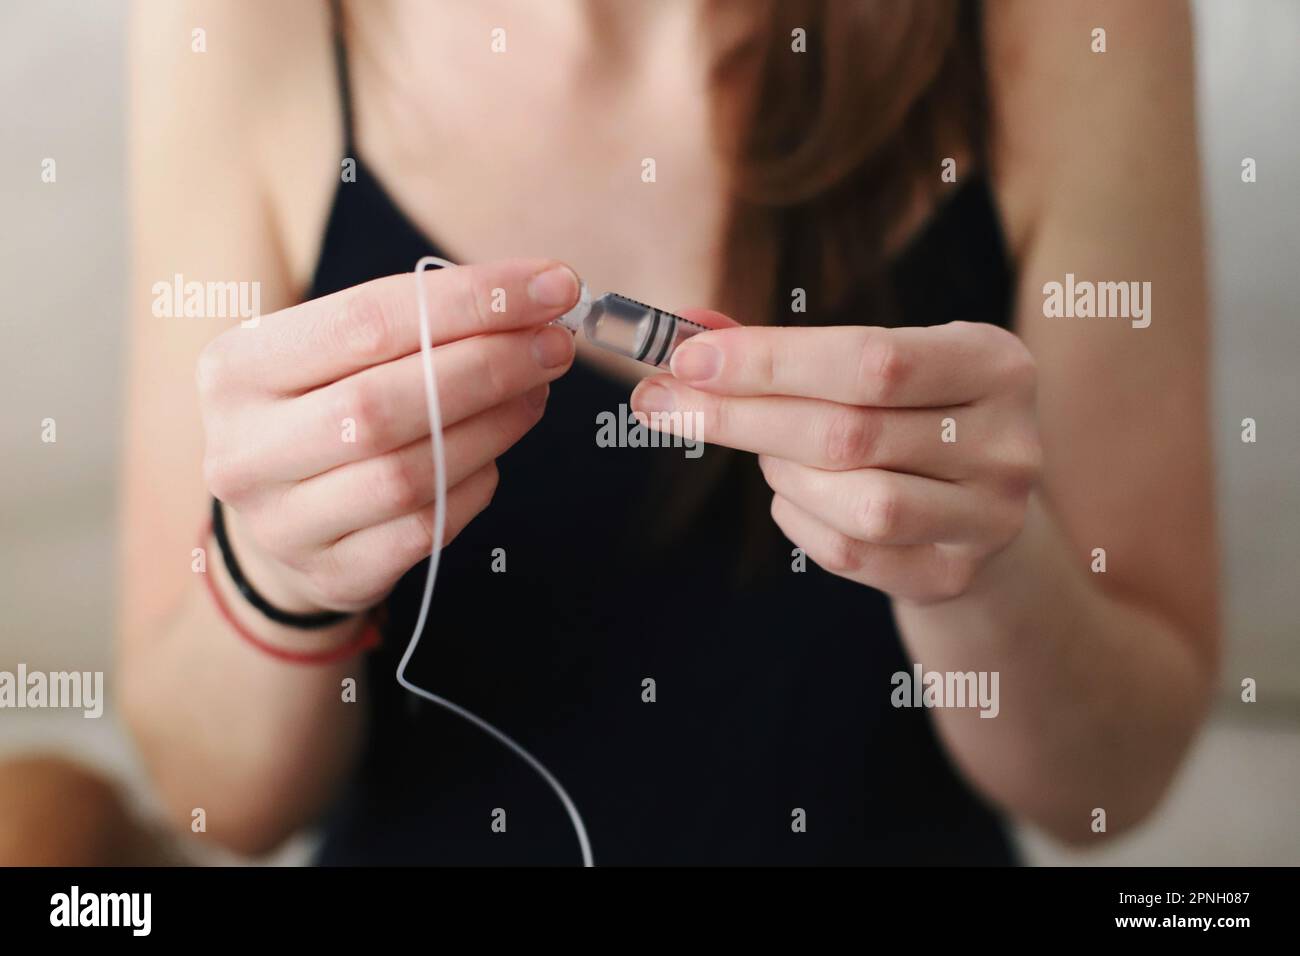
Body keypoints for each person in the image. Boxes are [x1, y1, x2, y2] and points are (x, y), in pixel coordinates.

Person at [119, 0, 1217, 864]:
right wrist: (275, 572)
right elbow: (217, 801)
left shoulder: (1073, 22)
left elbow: (1109, 786)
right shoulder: (245, 22)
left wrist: (980, 568)